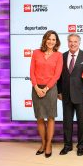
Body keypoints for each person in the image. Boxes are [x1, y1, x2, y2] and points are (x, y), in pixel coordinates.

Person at [57, 33, 83, 156]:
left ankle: (81, 146)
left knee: (82, 122)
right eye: (70, 41)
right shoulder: (61, 57)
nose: (72, 44)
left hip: (82, 95)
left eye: (75, 41)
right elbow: (58, 77)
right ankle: (67, 145)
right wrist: (59, 91)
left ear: (79, 43)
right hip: (66, 95)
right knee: (67, 122)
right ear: (68, 42)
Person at [30, 30, 63, 158]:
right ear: (45, 39)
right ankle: (43, 143)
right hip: (36, 88)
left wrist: (46, 89)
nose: (51, 41)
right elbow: (32, 72)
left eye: (53, 39)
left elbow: (57, 75)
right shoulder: (36, 53)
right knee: (39, 117)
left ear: (56, 42)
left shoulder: (58, 55)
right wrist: (37, 87)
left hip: (50, 90)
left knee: (50, 117)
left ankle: (49, 144)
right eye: (49, 39)